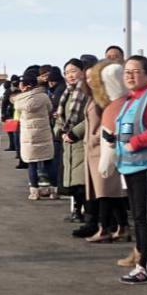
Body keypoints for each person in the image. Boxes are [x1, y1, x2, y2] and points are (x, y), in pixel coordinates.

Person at [105, 55, 147, 284]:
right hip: (131, 166)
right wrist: (114, 139)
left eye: (136, 71)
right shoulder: (132, 99)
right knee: (140, 217)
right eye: (127, 72)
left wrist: (137, 142)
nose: (130, 76)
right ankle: (144, 262)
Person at [79, 61, 130, 244]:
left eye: (94, 77)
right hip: (94, 150)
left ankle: (104, 228)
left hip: (103, 148)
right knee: (108, 193)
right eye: (88, 78)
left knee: (106, 192)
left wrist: (95, 136)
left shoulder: (106, 99)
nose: (90, 81)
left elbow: (110, 123)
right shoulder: (94, 97)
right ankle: (122, 227)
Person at [12, 66, 56, 199]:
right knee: (49, 162)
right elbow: (49, 109)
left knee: (32, 164)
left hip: (29, 136)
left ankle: (34, 192)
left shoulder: (19, 101)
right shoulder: (43, 96)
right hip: (44, 133)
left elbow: (18, 116)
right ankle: (53, 191)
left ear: (25, 86)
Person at [55, 60, 89, 222]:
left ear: (83, 71)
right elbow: (60, 117)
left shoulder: (88, 92)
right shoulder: (67, 93)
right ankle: (77, 210)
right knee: (74, 182)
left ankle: (85, 213)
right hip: (68, 143)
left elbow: (91, 117)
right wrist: (59, 132)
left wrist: (74, 133)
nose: (70, 75)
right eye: (67, 72)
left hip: (82, 142)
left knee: (82, 181)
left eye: (73, 71)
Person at [1, 76, 20, 152]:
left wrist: (3, 114)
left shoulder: (9, 91)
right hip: (15, 113)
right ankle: (14, 146)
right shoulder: (22, 89)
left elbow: (4, 103)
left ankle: (13, 146)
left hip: (10, 113)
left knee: (11, 132)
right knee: (15, 132)